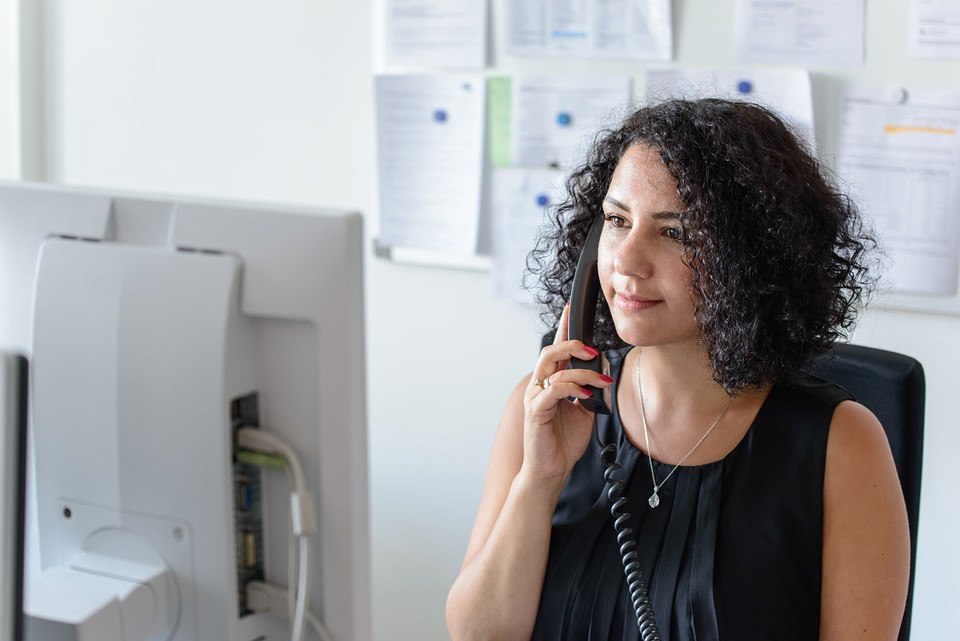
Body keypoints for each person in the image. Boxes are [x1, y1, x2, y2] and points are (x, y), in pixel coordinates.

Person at [445, 99, 910, 641]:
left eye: (675, 234)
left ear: (749, 257)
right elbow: (478, 635)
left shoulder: (840, 446)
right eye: (617, 221)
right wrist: (540, 481)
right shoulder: (547, 404)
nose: (626, 260)